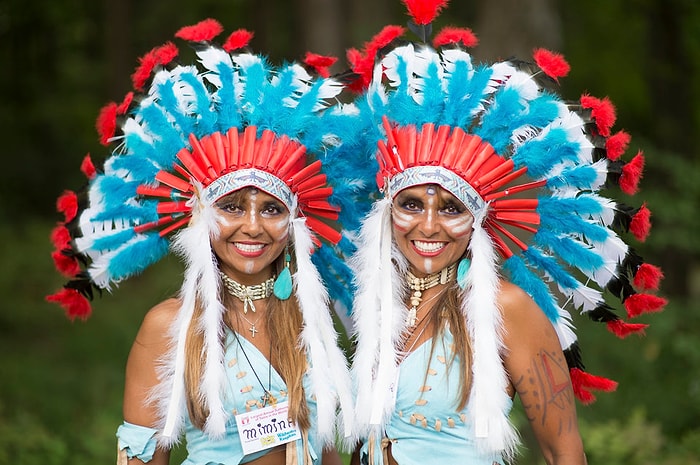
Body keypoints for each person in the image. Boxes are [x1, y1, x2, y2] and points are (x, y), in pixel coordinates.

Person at [345, 2, 667, 464]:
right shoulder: (377, 302)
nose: (429, 225)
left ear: (478, 220)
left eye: (451, 208)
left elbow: (564, 453)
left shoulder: (507, 307)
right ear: (387, 210)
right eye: (412, 204)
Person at [46, 18, 365, 465]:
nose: (252, 227)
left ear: (296, 222)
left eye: (272, 209)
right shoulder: (169, 327)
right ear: (198, 217)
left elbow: (326, 450)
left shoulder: (310, 317)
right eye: (232, 207)